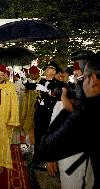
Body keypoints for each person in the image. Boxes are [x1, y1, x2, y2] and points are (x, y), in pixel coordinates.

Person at [40, 53, 100, 188]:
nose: (78, 81)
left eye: (81, 77)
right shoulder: (65, 100)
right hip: (70, 162)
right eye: (75, 76)